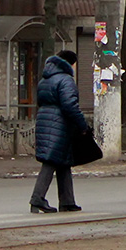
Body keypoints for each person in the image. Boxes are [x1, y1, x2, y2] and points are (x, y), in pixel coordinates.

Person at [30, 49, 89, 214]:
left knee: (63, 162)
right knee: (50, 162)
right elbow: (70, 105)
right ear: (71, 64)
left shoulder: (45, 79)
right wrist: (82, 125)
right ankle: (37, 198)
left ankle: (67, 201)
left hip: (45, 121)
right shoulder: (66, 80)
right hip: (60, 124)